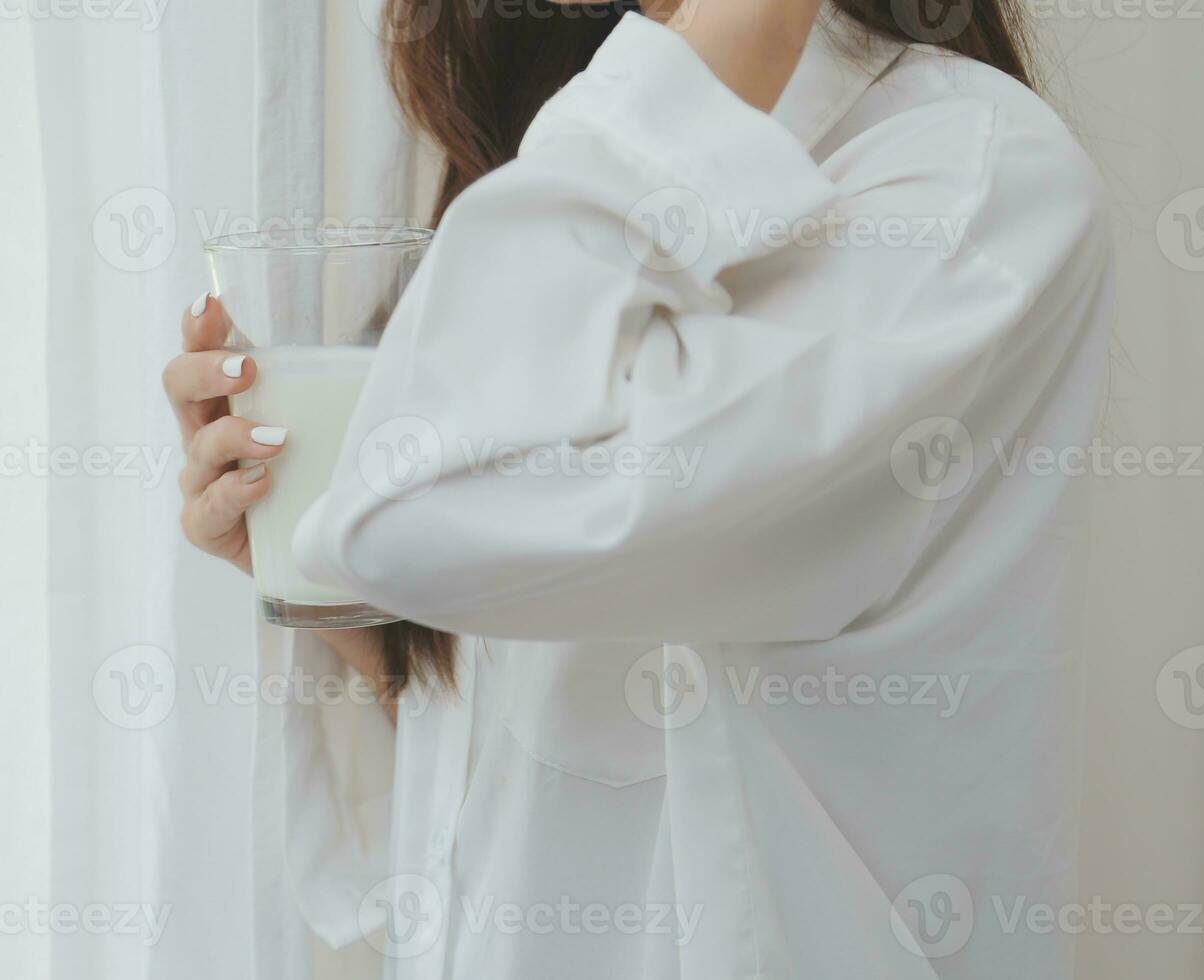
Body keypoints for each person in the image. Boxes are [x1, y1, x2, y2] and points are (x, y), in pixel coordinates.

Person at [163, 0, 1113, 976]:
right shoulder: (577, 153)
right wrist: (331, 570)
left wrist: (358, 522)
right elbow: (527, 765)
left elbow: (417, 521)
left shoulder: (968, 183)